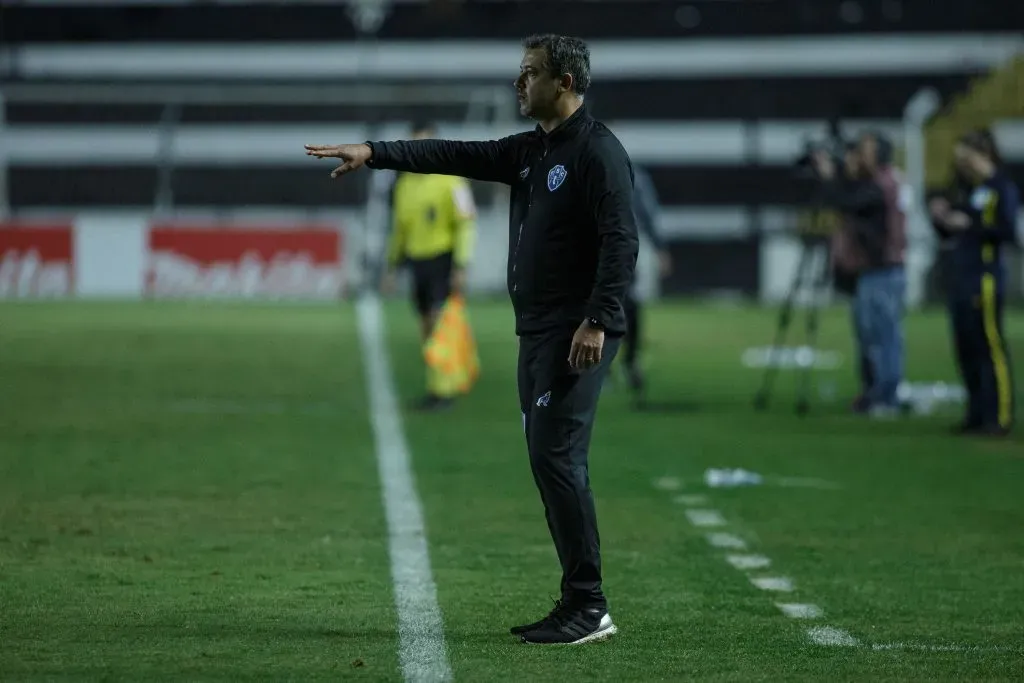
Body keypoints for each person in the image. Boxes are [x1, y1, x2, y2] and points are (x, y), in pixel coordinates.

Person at [306, 33, 639, 645]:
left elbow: (623, 241)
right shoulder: (531, 151)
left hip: (575, 333)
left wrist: (597, 319)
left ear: (564, 83)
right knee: (548, 460)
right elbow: (452, 152)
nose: (519, 83)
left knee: (556, 458)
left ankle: (589, 606)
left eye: (531, 73)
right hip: (537, 332)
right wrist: (374, 152)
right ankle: (579, 600)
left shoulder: (598, 152)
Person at [380, 120, 478, 411]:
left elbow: (466, 224)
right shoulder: (405, 184)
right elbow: (399, 230)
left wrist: (461, 264)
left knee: (439, 323)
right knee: (426, 326)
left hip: (442, 259)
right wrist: (392, 266)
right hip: (417, 262)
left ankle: (445, 390)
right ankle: (437, 387)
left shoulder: (452, 180)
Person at [929, 128, 1018, 437]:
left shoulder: (1000, 188)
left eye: (967, 157)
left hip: (986, 276)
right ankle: (977, 413)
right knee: (966, 346)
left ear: (984, 154)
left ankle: (1001, 416)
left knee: (990, 346)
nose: (963, 164)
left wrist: (971, 224)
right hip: (962, 274)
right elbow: (954, 231)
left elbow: (1007, 231)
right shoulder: (969, 190)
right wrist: (941, 218)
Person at [814, 130, 907, 417]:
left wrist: (831, 176)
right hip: (871, 270)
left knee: (882, 335)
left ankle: (886, 396)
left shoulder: (883, 183)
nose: (858, 154)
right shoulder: (876, 182)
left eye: (864, 150)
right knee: (869, 335)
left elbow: (848, 202)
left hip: (882, 270)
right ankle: (873, 392)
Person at [621, 164, 671, 401]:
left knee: (628, 305)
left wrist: (661, 249)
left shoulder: (632, 175)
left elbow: (647, 212)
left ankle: (629, 361)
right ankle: (615, 363)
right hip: (593, 251)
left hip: (619, 252)